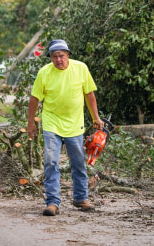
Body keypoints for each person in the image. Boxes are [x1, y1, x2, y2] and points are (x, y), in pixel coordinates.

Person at [27, 39, 104, 216]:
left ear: (68, 55)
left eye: (61, 56)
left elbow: (89, 94)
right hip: (52, 122)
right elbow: (34, 99)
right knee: (51, 161)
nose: (58, 60)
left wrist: (96, 118)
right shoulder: (44, 73)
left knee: (78, 162)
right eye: (54, 57)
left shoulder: (81, 68)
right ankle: (53, 202)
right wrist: (31, 124)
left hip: (75, 124)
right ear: (51, 58)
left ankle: (81, 198)